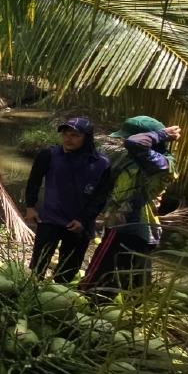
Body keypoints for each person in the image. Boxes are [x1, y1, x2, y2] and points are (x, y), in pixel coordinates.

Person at [81, 116, 181, 296]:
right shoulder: (138, 159)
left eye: (125, 137)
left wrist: (161, 134)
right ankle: (128, 309)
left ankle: (88, 298)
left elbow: (135, 143)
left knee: (101, 271)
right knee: (133, 277)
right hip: (140, 226)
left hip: (126, 225)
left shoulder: (160, 162)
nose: (123, 141)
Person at [24, 117, 112, 282]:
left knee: (68, 270)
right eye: (65, 134)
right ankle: (31, 293)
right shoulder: (49, 155)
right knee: (38, 266)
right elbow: (34, 181)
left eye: (74, 135)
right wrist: (30, 207)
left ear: (87, 138)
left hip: (79, 224)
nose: (67, 139)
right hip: (50, 218)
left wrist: (83, 220)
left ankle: (58, 296)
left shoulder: (101, 164)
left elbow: (101, 197)